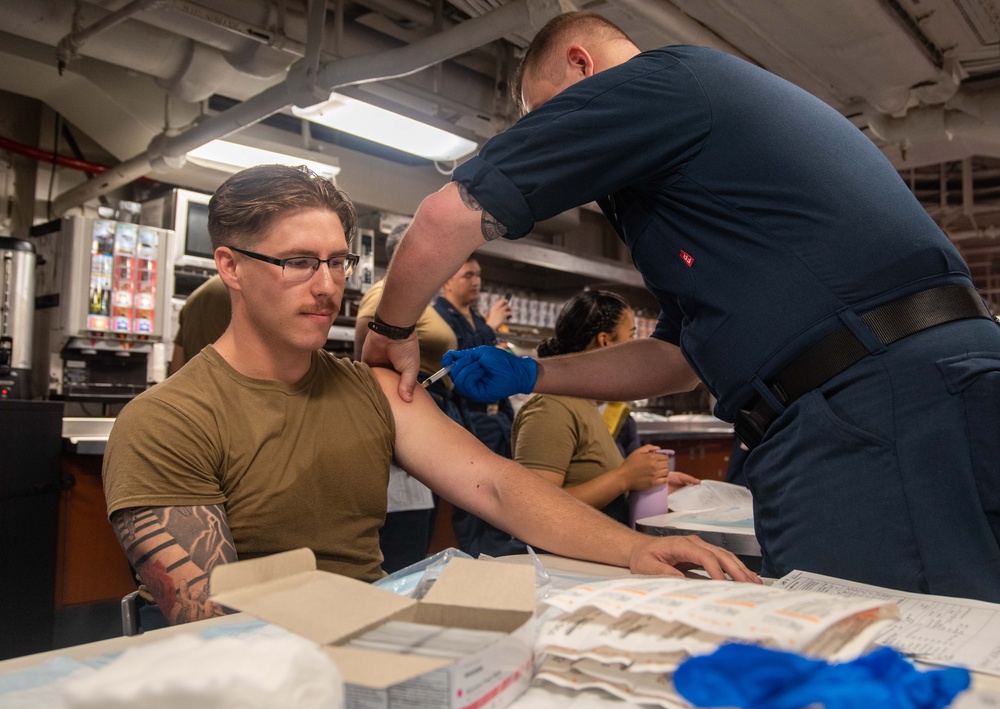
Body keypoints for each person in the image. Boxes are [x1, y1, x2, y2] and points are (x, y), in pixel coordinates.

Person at [362, 11, 1000, 601]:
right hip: (933, 381)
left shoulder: (658, 83)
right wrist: (536, 373)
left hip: (872, 405)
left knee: (882, 656)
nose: (555, 140)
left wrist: (391, 327)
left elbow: (448, 213)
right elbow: (677, 360)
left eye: (549, 116)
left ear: (583, 67)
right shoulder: (697, 170)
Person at [102, 164, 757, 627]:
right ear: (231, 267)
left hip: (376, 636)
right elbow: (213, 617)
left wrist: (635, 550)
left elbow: (498, 485)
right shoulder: (166, 422)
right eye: (299, 262)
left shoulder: (375, 391)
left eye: (338, 262)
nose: (328, 286)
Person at [512, 290, 698, 526]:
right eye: (631, 336)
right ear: (605, 341)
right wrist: (624, 478)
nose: (636, 348)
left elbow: (595, 483)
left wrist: (648, 483)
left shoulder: (585, 404)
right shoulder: (552, 406)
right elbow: (533, 509)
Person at [354, 225, 454, 572]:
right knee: (402, 546)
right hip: (400, 409)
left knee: (417, 536)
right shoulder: (384, 293)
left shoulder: (420, 300)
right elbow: (368, 354)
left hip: (421, 408)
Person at [433, 257, 518, 557]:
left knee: (502, 508)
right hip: (467, 421)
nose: (476, 281)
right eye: (468, 274)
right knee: (473, 508)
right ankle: (477, 570)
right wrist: (490, 327)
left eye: (479, 275)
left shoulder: (476, 318)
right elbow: (455, 359)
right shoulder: (437, 317)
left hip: (497, 421)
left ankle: (498, 569)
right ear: (446, 281)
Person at [168, 274, 231, 375]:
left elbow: (177, 365)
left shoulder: (193, 298)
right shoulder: (241, 290)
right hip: (228, 387)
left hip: (191, 386)